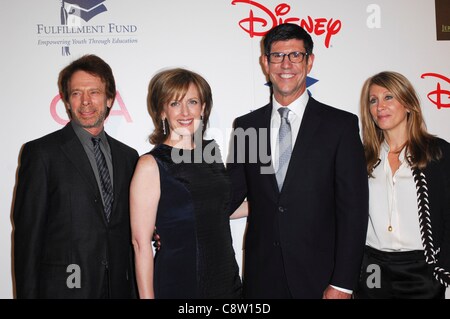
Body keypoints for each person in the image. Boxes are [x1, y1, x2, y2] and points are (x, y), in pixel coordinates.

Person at [227, 23, 369, 299]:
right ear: (265, 63)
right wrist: (177, 221)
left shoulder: (339, 126)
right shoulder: (249, 126)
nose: (286, 64)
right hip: (262, 277)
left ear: (310, 61)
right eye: (277, 56)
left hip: (321, 278)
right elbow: (227, 196)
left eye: (296, 55)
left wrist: (343, 283)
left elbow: (354, 210)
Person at [13, 54, 139, 298]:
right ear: (67, 102)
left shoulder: (129, 157)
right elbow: (28, 239)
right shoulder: (41, 153)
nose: (85, 102)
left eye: (94, 92)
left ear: (110, 99)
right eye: (76, 93)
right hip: (64, 290)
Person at [130, 68, 242, 299]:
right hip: (179, 281)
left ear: (203, 108)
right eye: (174, 103)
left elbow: (221, 208)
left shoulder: (211, 153)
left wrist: (276, 200)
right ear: (162, 111)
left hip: (225, 280)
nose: (185, 112)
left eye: (192, 101)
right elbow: (141, 244)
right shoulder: (150, 165)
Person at [354, 71, 450, 299]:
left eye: (389, 97)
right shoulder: (360, 158)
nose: (380, 106)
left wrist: (443, 268)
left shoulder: (438, 153)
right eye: (373, 100)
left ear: (408, 104)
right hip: (372, 268)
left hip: (422, 270)